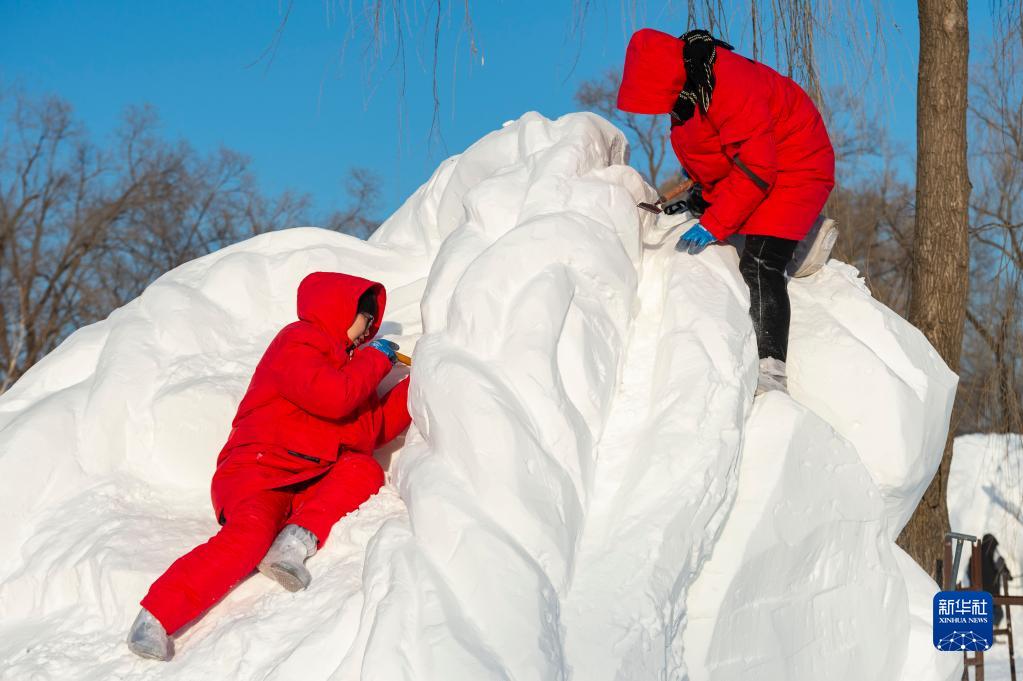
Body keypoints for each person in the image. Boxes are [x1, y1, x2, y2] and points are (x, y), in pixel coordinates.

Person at [127, 271, 411, 661]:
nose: (368, 328)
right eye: (366, 318)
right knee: (249, 536)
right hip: (257, 472)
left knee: (363, 468)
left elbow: (372, 428)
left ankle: (292, 542)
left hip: (307, 479)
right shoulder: (299, 341)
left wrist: (420, 384)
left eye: (373, 323)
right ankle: (156, 617)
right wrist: (374, 360)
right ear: (343, 310)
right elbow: (332, 397)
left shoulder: (353, 369)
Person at [617, 28, 837, 395]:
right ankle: (797, 233)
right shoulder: (691, 89)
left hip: (796, 165)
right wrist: (704, 195)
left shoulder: (730, 83)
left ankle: (771, 370)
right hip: (757, 165)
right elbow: (713, 149)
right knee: (723, 218)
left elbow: (758, 166)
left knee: (760, 262)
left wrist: (715, 223)